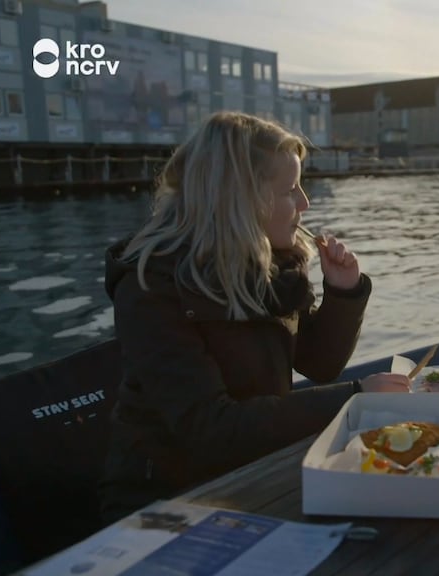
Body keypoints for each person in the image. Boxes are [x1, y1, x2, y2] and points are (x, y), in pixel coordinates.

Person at [98, 111, 409, 522]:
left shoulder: (273, 267)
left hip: (253, 470)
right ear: (240, 198)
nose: (304, 203)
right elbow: (209, 428)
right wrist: (354, 397)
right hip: (167, 498)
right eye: (290, 190)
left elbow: (320, 364)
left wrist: (344, 292)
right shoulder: (150, 285)